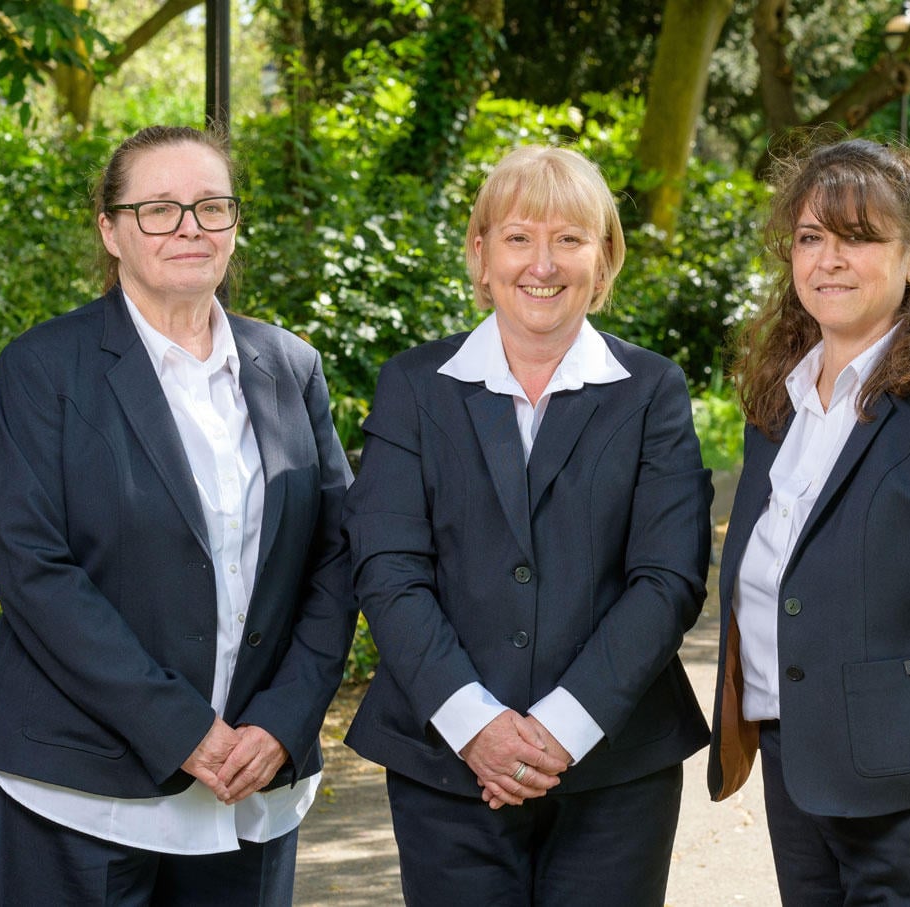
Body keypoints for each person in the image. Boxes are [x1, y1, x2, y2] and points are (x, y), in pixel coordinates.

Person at [0, 124, 355, 905]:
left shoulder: (290, 367)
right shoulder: (44, 369)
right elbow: (34, 567)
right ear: (110, 231)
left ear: (234, 225)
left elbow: (338, 557)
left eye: (212, 206)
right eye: (158, 209)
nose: (189, 226)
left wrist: (283, 721)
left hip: (251, 781)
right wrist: (180, 728)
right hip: (78, 787)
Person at [342, 145, 713, 905]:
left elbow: (668, 578)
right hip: (445, 763)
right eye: (518, 237)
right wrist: (475, 724)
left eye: (569, 239)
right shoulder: (413, 386)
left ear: (603, 260)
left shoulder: (652, 391)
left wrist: (564, 728)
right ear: (482, 255)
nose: (542, 264)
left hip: (616, 768)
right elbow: (387, 568)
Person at [706, 137, 910, 905]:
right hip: (796, 767)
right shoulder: (778, 408)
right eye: (809, 237)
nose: (828, 259)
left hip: (909, 795)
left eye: (857, 237)